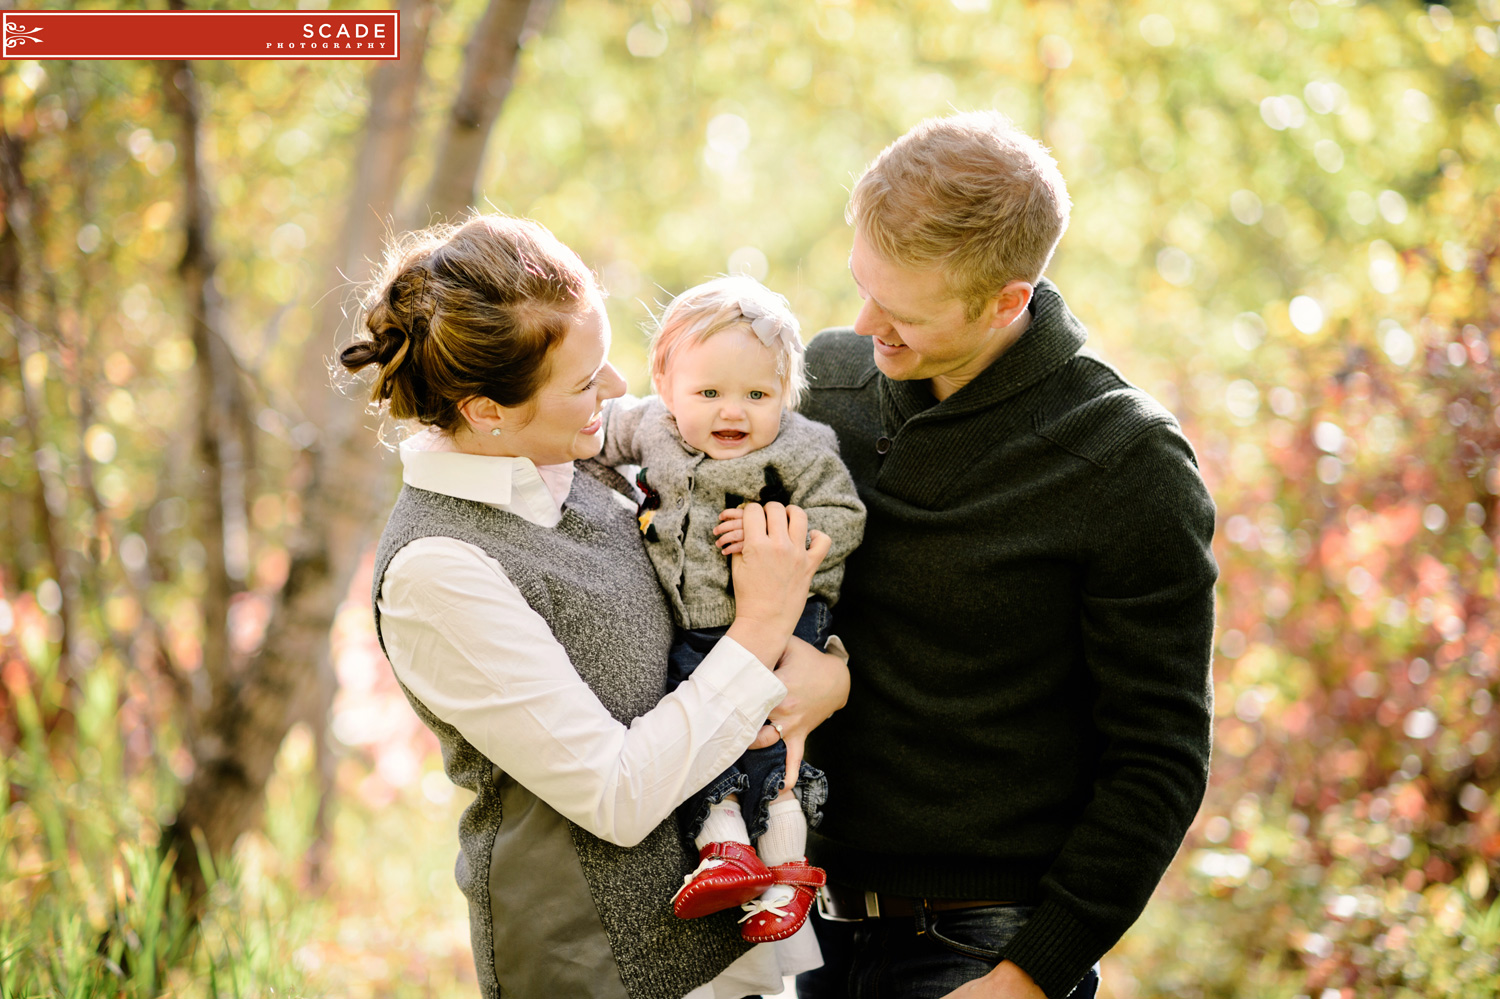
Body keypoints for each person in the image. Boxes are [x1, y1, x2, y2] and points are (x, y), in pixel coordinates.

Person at [339, 213, 850, 999]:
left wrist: (826, 675)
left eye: (608, 364)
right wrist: (761, 630)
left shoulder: (583, 463)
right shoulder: (439, 572)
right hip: (601, 963)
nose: (616, 391)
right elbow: (615, 792)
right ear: (485, 410)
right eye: (585, 382)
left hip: (729, 944)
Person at [794, 112, 1218, 999]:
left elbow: (1159, 755)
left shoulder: (1125, 459)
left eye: (902, 311)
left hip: (986, 949)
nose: (866, 323)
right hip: (809, 931)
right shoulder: (821, 387)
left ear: (1006, 301)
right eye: (862, 286)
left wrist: (1028, 977)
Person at [600, 275, 866, 943]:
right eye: (709, 392)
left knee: (776, 744)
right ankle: (727, 850)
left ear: (786, 394)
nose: (733, 412)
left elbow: (845, 517)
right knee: (703, 731)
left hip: (786, 619)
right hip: (696, 626)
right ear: (665, 385)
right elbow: (593, 433)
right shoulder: (652, 426)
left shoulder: (800, 448)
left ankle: (788, 871)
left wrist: (777, 529)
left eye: (758, 394)